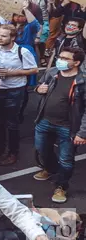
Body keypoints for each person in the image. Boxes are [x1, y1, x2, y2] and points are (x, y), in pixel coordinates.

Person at [33, 47, 86, 203]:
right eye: (60, 56)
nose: (60, 60)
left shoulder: (82, 82)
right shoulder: (52, 73)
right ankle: (50, 170)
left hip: (67, 127)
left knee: (65, 159)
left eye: (65, 58)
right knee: (42, 150)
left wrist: (82, 133)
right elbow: (40, 85)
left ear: (76, 62)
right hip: (44, 122)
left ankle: (61, 186)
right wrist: (38, 89)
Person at [0, 25, 38, 166]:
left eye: (4, 36)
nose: (0, 38)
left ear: (12, 37)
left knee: (12, 123)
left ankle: (13, 152)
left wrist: (13, 73)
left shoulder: (22, 51)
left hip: (15, 90)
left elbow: (34, 70)